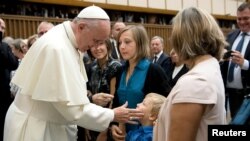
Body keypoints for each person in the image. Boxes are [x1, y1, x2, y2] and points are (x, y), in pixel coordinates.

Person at [4, 5, 143, 141]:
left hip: (49, 124)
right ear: (81, 27)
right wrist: (111, 114)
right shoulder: (57, 48)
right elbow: (71, 109)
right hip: (36, 129)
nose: (95, 46)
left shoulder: (68, 39)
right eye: (95, 40)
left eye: (101, 42)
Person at [153, 7, 228, 141]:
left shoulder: (194, 82)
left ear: (182, 39)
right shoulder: (210, 68)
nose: (172, 41)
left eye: (174, 35)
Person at [111, 25, 171, 141]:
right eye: (120, 43)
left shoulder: (154, 71)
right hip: (122, 134)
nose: (122, 47)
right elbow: (117, 102)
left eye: (127, 42)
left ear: (140, 44)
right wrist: (113, 125)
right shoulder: (120, 70)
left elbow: (165, 105)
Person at [81, 39, 122, 141]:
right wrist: (86, 124)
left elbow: (113, 100)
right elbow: (89, 94)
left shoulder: (115, 66)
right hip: (93, 118)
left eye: (101, 44)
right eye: (94, 45)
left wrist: (105, 130)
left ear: (107, 46)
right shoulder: (92, 67)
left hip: (108, 121)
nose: (97, 48)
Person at [220, 2, 250, 119]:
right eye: (239, 19)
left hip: (247, 94)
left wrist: (245, 63)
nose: (242, 22)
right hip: (231, 95)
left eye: (246, 18)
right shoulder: (231, 36)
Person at [0, 18, 19, 140]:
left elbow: (14, 64)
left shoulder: (4, 46)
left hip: (4, 98)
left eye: (3, 28)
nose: (1, 30)